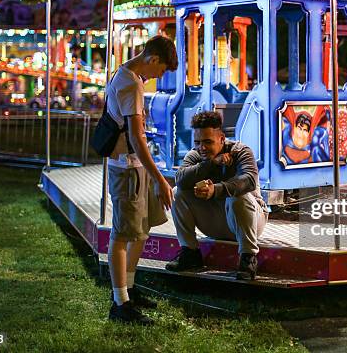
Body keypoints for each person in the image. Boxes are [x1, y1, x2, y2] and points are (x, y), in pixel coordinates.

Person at [105, 35, 177, 323]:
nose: (157, 78)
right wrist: (160, 179)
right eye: (159, 72)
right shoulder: (132, 83)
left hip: (135, 166)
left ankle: (129, 290)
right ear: (153, 59)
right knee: (123, 234)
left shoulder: (126, 74)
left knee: (140, 230)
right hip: (126, 167)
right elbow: (136, 136)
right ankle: (120, 303)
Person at [166, 111, 268, 280]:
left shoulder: (241, 151)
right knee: (178, 192)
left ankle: (248, 258)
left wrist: (217, 189)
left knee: (239, 196)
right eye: (198, 142)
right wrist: (212, 163)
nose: (202, 147)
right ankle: (190, 253)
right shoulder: (196, 154)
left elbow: (249, 180)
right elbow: (181, 179)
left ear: (222, 139)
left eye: (207, 142)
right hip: (216, 221)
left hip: (248, 222)